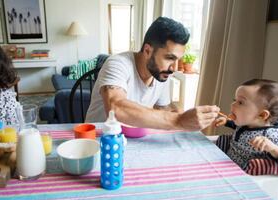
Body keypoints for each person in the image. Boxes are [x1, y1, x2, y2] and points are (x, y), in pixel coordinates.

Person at [86, 17, 219, 131]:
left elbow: (163, 112)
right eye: (169, 58)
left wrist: (196, 118)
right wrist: (178, 120)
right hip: (99, 140)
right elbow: (116, 108)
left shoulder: (160, 74)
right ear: (147, 50)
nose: (173, 68)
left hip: (134, 140)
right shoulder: (118, 63)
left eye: (177, 60)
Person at [215, 79, 278, 173]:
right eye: (235, 100)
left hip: (246, 174)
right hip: (228, 163)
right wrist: (226, 122)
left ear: (262, 115)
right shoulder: (247, 123)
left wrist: (273, 149)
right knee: (223, 139)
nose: (233, 104)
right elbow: (238, 127)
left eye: (240, 102)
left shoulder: (271, 135)